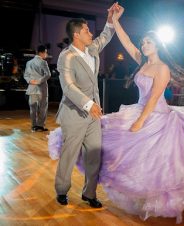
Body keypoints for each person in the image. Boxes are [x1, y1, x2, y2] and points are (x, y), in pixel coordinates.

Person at [48, 3, 184, 223]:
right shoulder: (140, 61)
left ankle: (147, 198)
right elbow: (124, 41)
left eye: (148, 42)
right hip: (137, 111)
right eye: (143, 42)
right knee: (131, 155)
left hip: (156, 116)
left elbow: (153, 99)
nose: (143, 45)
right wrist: (114, 21)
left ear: (158, 46)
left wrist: (140, 122)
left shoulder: (162, 69)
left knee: (156, 162)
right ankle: (74, 189)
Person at [53, 4, 116, 208]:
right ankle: (62, 190)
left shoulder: (91, 49)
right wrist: (88, 104)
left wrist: (110, 19)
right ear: (77, 35)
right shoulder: (66, 56)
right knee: (69, 155)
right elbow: (68, 86)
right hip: (74, 113)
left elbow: (105, 37)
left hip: (93, 114)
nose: (91, 33)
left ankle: (89, 193)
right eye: (87, 30)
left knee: (94, 155)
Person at [24, 45, 51, 132]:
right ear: (41, 53)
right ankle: (40, 126)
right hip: (41, 88)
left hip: (32, 88)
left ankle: (33, 126)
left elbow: (26, 75)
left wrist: (30, 81)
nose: (46, 54)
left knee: (33, 108)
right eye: (46, 52)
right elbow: (48, 75)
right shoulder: (43, 62)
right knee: (42, 107)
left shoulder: (29, 62)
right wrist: (39, 81)